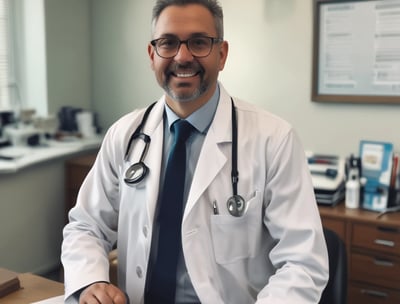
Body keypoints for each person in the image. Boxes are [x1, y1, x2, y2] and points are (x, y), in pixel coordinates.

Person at [61, 0, 329, 303]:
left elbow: (302, 263)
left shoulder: (274, 140)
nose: (183, 56)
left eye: (199, 43)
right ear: (152, 55)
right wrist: (91, 281)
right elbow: (86, 225)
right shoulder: (124, 135)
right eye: (168, 43)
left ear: (222, 54)